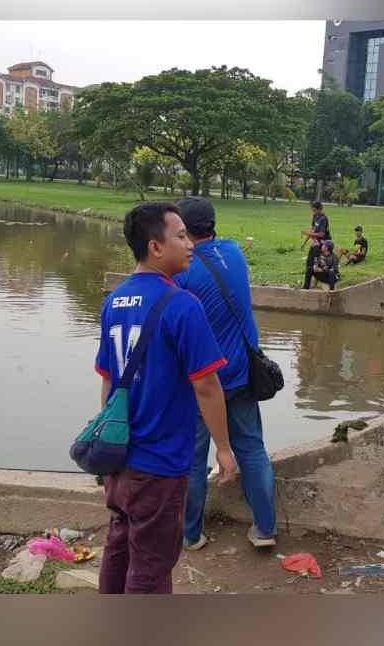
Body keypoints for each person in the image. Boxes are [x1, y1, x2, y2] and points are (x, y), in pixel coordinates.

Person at [95, 202, 238, 594]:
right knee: (152, 565)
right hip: (159, 465)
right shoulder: (183, 305)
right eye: (180, 236)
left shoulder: (115, 300)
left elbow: (108, 383)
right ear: (156, 247)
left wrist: (111, 441)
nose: (190, 244)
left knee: (119, 545)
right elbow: (207, 385)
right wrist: (223, 449)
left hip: (121, 458)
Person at [173, 198, 277, 550]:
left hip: (206, 382)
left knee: (193, 457)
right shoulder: (233, 252)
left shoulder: (183, 273)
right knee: (252, 449)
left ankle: (191, 534)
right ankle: (265, 529)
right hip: (245, 375)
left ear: (184, 232)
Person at [301, 200, 331, 289]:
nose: (313, 212)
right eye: (312, 210)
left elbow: (322, 234)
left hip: (323, 244)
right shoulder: (315, 216)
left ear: (320, 209)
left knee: (315, 265)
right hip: (316, 243)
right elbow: (313, 230)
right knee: (309, 264)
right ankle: (307, 286)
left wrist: (307, 234)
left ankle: (323, 281)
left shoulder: (323, 219)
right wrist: (305, 243)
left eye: (314, 210)